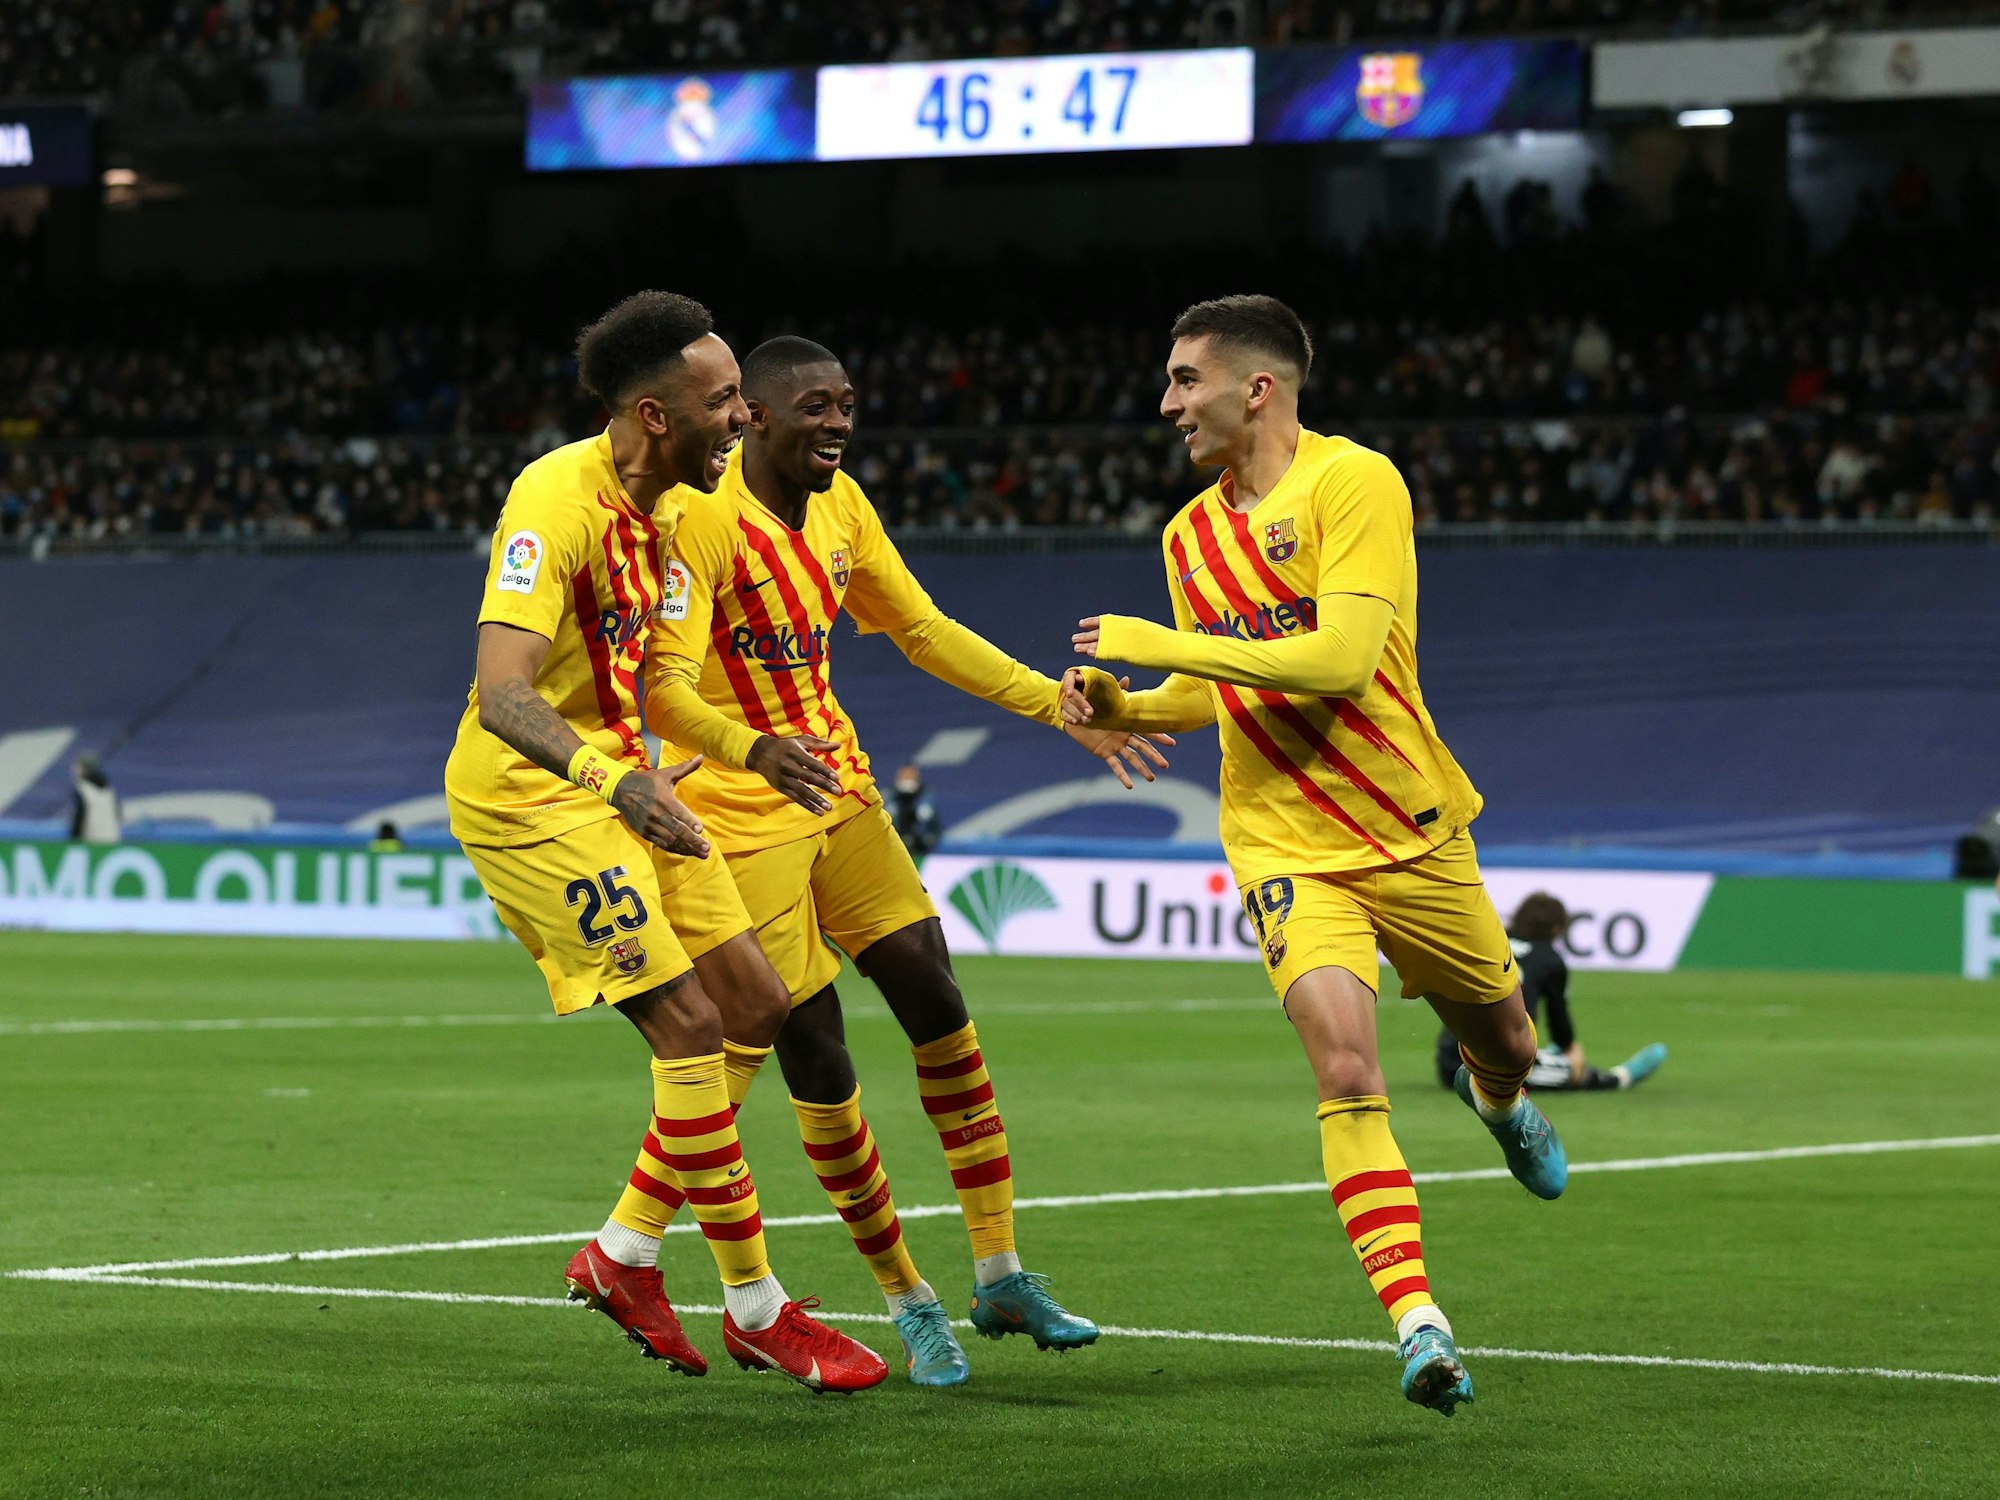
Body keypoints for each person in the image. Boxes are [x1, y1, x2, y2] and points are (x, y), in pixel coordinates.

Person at [1063, 295, 1568, 1418]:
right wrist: (1126, 699)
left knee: (1508, 1039)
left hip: (1406, 827)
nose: (1165, 403)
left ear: (1256, 388)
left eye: (1183, 378)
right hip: (1281, 841)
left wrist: (1155, 643)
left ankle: (1497, 1107)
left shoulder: (1355, 483)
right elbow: (1213, 686)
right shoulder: (1187, 534)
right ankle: (1418, 1325)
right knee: (1346, 1071)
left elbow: (1339, 659)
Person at [639, 336, 1171, 1384]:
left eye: (847, 404)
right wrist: (741, 750)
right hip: (738, 818)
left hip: (838, 792)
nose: (838, 423)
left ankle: (1000, 1270)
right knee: (821, 1056)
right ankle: (907, 1298)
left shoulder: (842, 510)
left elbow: (920, 628)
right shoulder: (694, 523)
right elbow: (663, 688)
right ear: (753, 416)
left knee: (934, 992)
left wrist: (1049, 704)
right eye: (815, 407)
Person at [443, 292, 885, 1394]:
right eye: (723, 399)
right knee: (689, 1025)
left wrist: (735, 748)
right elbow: (502, 694)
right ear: (653, 415)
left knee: (756, 1005)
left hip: (631, 785)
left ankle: (626, 1256)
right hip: (531, 798)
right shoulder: (555, 499)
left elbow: (656, 684)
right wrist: (612, 778)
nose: (743, 417)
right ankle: (757, 1307)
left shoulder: (686, 511)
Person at [1431, 893, 1666, 1092]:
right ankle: (1615, 1079)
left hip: (1450, 1060)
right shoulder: (1549, 960)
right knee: (1571, 1069)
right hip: (1495, 1066)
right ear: (1556, 929)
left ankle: (1551, 1057)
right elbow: (1558, 1019)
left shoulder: (1492, 942)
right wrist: (1568, 1047)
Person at [883, 762, 940, 858]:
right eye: (905, 775)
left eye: (911, 776)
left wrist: (927, 840)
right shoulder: (888, 795)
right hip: (893, 845)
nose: (908, 779)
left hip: (920, 847)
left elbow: (933, 825)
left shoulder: (925, 796)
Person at [69, 754, 120, 844]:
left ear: (84, 769)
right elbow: (117, 812)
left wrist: (74, 838)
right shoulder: (108, 788)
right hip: (112, 837)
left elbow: (80, 815)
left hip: (92, 839)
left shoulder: (83, 788)